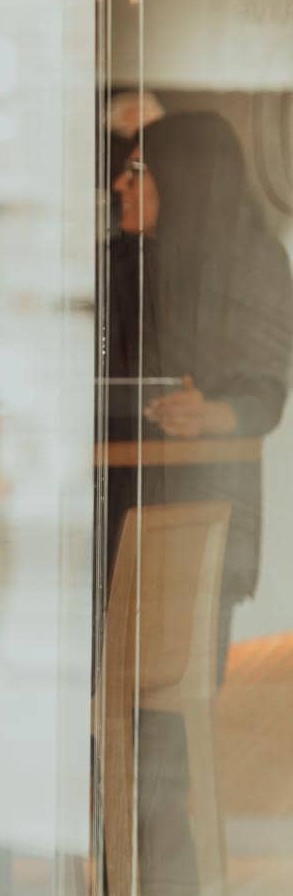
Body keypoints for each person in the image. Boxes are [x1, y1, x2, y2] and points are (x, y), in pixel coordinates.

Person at [108, 111, 293, 676]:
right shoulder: (118, 262)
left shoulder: (255, 263)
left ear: (183, 175)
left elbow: (266, 393)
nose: (120, 183)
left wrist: (211, 414)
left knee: (178, 704)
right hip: (113, 511)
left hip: (201, 513)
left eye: (137, 169)